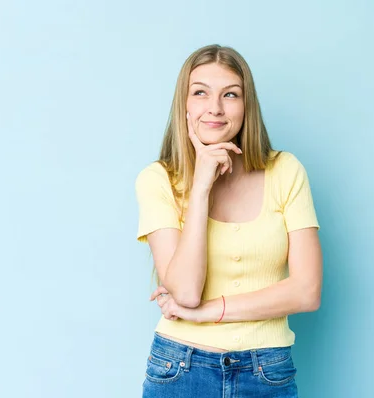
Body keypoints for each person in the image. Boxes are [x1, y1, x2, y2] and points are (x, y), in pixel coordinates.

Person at [135, 44, 323, 398]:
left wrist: (208, 313)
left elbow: (307, 291)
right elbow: (186, 293)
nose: (215, 108)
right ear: (184, 104)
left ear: (246, 105)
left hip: (267, 371)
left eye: (230, 94)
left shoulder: (285, 171)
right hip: (180, 368)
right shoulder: (158, 179)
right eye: (201, 92)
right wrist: (202, 186)